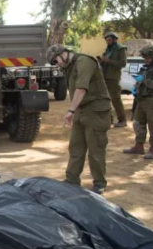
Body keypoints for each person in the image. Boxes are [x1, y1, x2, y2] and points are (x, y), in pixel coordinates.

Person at [47, 44, 111, 194]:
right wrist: (75, 110)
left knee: (96, 149)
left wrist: (71, 110)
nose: (57, 64)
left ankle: (99, 183)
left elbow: (81, 88)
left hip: (96, 111)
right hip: (82, 110)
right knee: (75, 147)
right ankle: (72, 179)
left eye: (55, 60)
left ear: (63, 53)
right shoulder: (69, 66)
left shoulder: (84, 61)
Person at [123, 45, 153, 160]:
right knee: (138, 123)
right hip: (142, 99)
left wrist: (144, 81)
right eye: (145, 58)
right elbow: (141, 79)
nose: (146, 60)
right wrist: (136, 86)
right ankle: (138, 146)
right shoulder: (147, 66)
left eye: (148, 58)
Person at [98, 31, 128, 127]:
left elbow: (123, 64)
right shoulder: (108, 50)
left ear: (115, 39)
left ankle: (122, 120)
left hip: (113, 78)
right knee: (105, 99)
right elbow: (105, 62)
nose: (108, 42)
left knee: (116, 99)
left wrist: (109, 61)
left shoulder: (121, 49)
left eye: (110, 40)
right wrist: (101, 61)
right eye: (106, 40)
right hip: (105, 76)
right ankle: (109, 119)